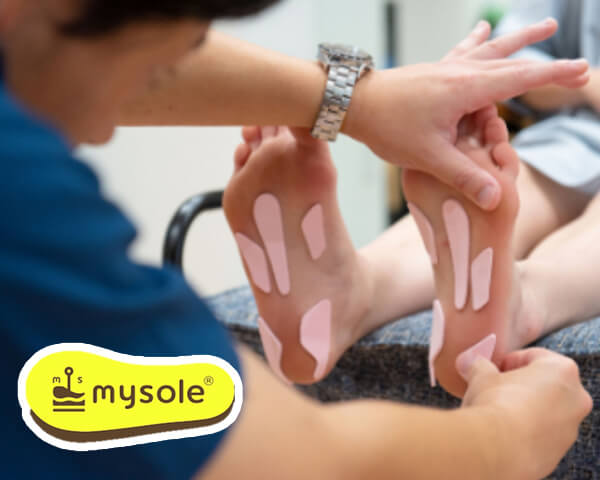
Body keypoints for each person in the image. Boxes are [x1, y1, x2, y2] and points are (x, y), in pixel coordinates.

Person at [0, 1, 591, 479]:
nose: (109, 128)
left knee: (481, 182)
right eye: (160, 68)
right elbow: (300, 460)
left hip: (562, 141)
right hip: (565, 137)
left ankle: (357, 290)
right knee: (496, 183)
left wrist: (357, 101)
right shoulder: (24, 202)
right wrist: (508, 436)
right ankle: (519, 296)